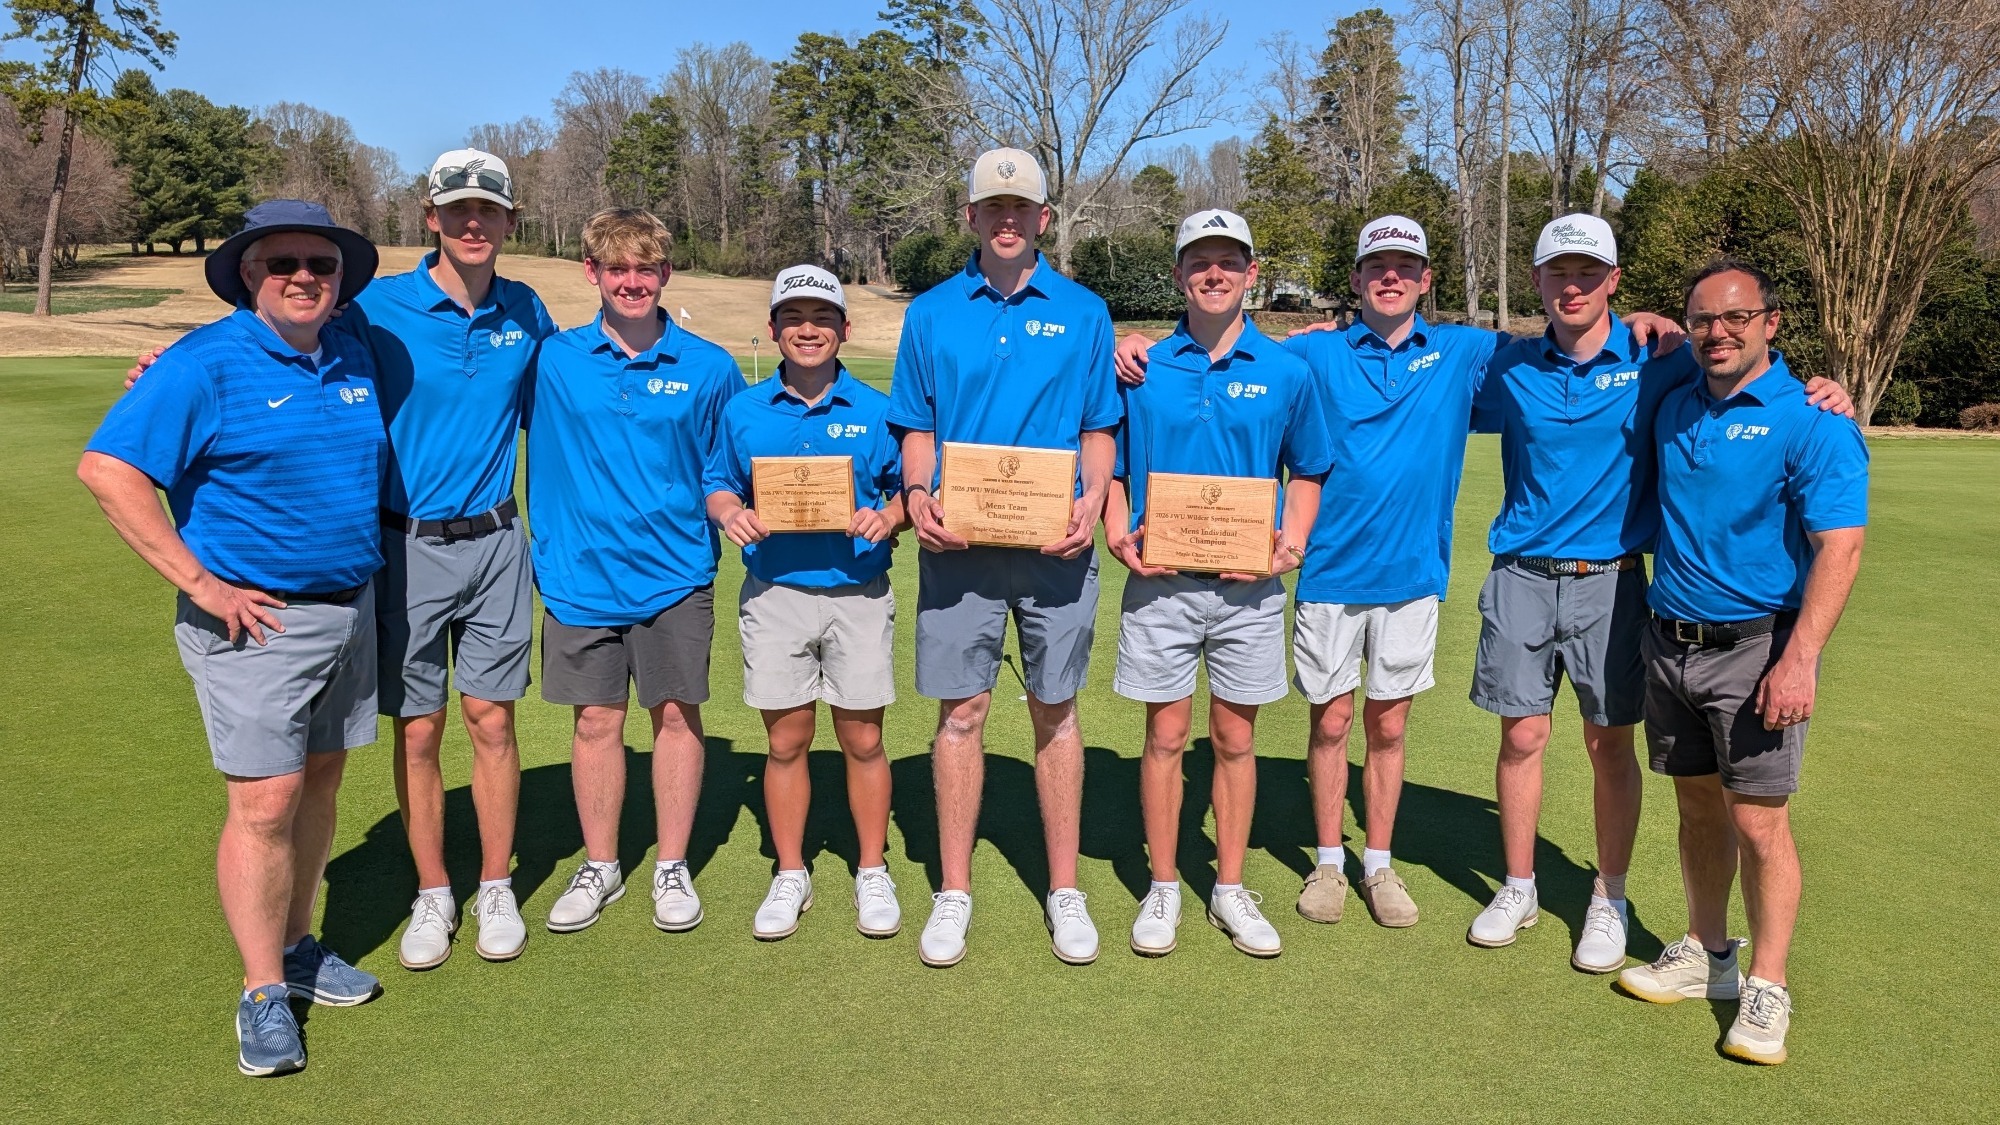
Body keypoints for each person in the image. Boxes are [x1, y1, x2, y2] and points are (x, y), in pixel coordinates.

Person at [1113, 216, 1679, 932]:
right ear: (1355, 279)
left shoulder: (1465, 352)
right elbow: (1230, 353)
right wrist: (1131, 346)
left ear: (1425, 280)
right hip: (1326, 571)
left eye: (1406, 266)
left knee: (1388, 723)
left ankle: (1376, 861)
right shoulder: (1312, 355)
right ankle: (1326, 860)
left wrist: (1639, 321)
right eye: (1376, 265)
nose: (1391, 277)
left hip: (1413, 574)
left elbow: (1566, 337)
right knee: (1333, 720)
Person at [128, 149, 559, 970]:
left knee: (493, 720)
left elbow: (562, 396)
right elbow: (273, 344)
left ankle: (495, 881)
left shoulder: (527, 310)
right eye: (457, 209)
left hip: (500, 539)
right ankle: (434, 889)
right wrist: (162, 367)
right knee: (420, 728)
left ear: (509, 222)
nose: (474, 223)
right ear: (430, 216)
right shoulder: (373, 307)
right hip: (404, 544)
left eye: (490, 211)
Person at [1462, 216, 1852, 971]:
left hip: (1612, 579)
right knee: (1521, 737)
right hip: (1519, 573)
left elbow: (1741, 358)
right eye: (1556, 272)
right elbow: (1410, 352)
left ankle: (1610, 895)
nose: (1571, 285)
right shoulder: (1509, 364)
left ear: (1613, 280)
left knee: (1609, 741)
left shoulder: (1658, 357)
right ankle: (1519, 885)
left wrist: (1821, 388)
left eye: (1588, 272)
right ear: (1538, 281)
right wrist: (1320, 335)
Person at [80, 201, 386, 1076]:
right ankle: (261, 991)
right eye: (282, 261)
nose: (304, 276)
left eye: (321, 264)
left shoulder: (349, 346)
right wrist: (202, 583)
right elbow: (109, 470)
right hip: (256, 621)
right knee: (263, 805)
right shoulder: (203, 362)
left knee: (321, 784)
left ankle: (297, 948)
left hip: (349, 608)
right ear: (249, 273)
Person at [1616, 259, 1867, 1066]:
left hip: (1758, 652)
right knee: (1695, 810)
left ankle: (1768, 983)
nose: (1717, 333)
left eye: (1735, 318)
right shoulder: (1675, 397)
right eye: (1701, 320)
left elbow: (1841, 546)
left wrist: (1800, 660)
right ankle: (1708, 952)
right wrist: (1650, 317)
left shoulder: (1815, 419)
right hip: (1670, 641)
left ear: (1772, 323)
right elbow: (1619, 337)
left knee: (1759, 822)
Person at [889, 148, 1122, 967]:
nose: (1009, 219)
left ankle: (1064, 887)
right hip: (958, 545)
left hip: (1057, 544)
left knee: (1055, 710)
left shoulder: (1086, 311)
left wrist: (1093, 498)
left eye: (1022, 206)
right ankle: (954, 889)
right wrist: (917, 496)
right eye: (994, 206)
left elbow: (1101, 426)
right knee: (961, 713)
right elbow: (915, 425)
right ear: (971, 217)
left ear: (1044, 218)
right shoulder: (930, 313)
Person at [1105, 211, 1330, 958]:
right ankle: (1165, 884)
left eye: (1228, 261)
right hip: (1161, 581)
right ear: (1177, 274)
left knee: (1236, 737)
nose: (1213, 272)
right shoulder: (1139, 366)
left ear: (1251, 272)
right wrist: (1115, 526)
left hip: (1248, 588)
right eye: (1198, 261)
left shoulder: (1288, 371)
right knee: (1165, 734)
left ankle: (1230, 886)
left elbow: (1310, 469)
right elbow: (1107, 459)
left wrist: (1288, 549)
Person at [528, 209, 746, 936]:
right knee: (596, 721)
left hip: (676, 573)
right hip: (579, 575)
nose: (630, 281)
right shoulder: (552, 360)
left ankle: (671, 864)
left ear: (665, 275)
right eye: (615, 268)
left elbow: (726, 468)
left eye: (644, 269)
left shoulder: (710, 367)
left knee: (677, 716)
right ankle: (602, 863)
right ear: (590, 272)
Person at [704, 266, 907, 941]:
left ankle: (871, 867)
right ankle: (790, 870)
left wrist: (891, 516)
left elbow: (910, 490)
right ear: (774, 330)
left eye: (822, 317)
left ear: (844, 329)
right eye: (793, 317)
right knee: (786, 739)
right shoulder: (743, 410)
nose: (808, 329)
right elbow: (719, 484)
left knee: (864, 737)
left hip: (856, 593)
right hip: (776, 594)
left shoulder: (879, 411)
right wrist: (731, 511)